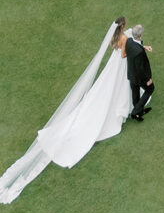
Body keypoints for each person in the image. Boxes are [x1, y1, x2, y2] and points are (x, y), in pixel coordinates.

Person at [0, 18, 135, 202]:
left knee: (99, 94)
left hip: (112, 69)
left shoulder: (117, 37)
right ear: (124, 26)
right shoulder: (125, 40)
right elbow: (124, 55)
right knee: (106, 97)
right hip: (117, 68)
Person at [126, 25, 154, 122]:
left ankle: (138, 113)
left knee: (135, 93)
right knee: (150, 89)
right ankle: (135, 112)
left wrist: (144, 47)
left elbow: (135, 46)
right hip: (139, 77)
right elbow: (141, 69)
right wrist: (148, 79)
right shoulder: (139, 52)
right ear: (141, 35)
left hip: (131, 74)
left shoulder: (129, 42)